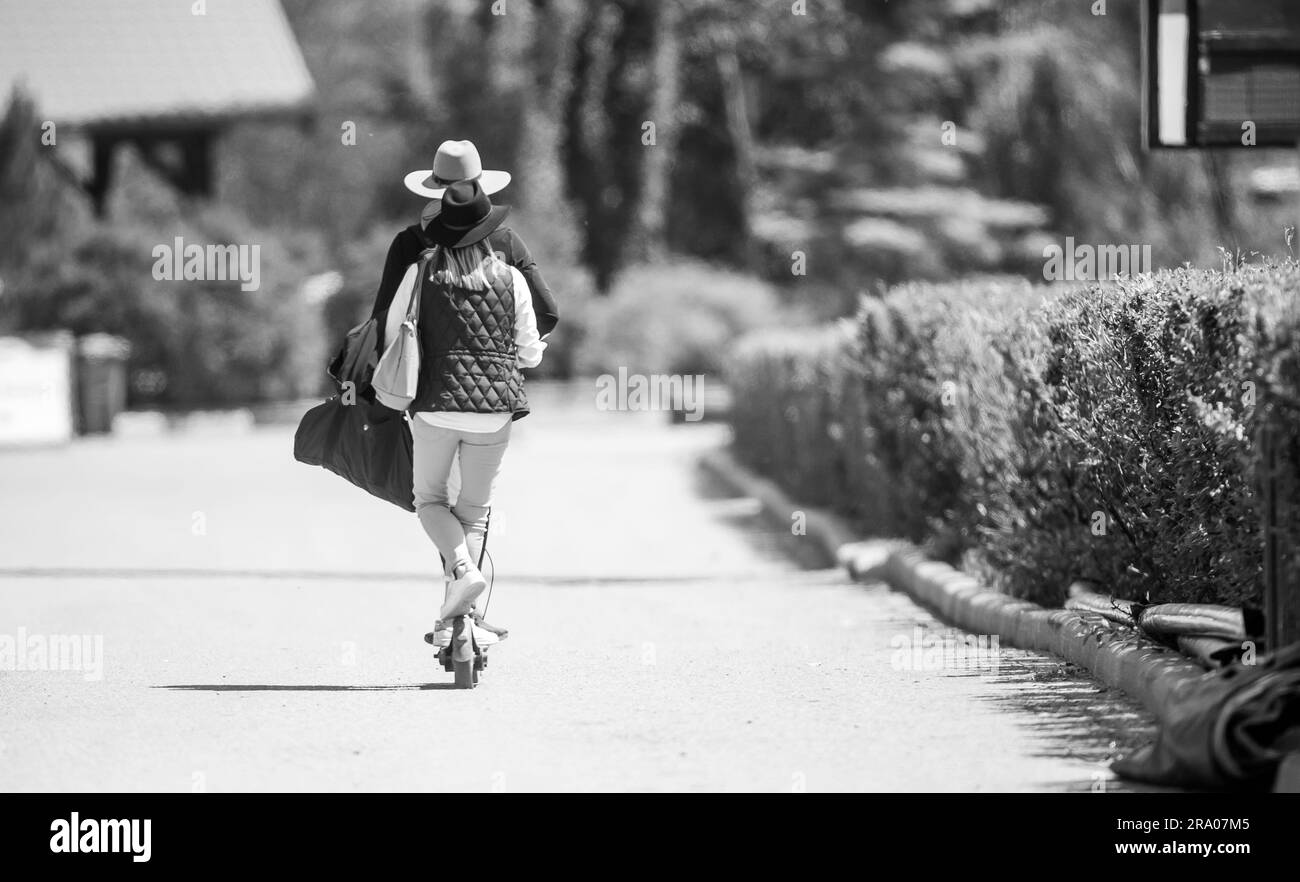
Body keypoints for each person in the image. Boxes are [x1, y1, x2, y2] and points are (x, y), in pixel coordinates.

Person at [383, 179, 544, 648]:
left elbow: (396, 330)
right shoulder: (510, 277)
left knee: (429, 501)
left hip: (434, 407)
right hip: (493, 414)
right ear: (486, 229)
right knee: (474, 514)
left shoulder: (421, 271)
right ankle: (467, 617)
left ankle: (461, 571)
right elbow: (530, 354)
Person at [370, 140, 558, 343]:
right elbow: (546, 314)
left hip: (427, 372)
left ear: (436, 188)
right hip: (499, 371)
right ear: (480, 187)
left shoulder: (409, 243)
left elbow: (384, 319)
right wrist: (502, 351)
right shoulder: (507, 241)